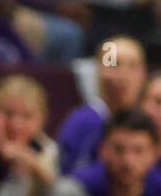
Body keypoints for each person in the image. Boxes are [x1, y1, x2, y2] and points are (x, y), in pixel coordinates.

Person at [45, 110, 161, 196]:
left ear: (154, 153)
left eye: (138, 151)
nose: (128, 161)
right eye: (118, 149)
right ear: (102, 149)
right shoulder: (75, 191)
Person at [56, 36, 148, 173]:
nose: (123, 75)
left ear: (144, 73)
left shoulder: (150, 120)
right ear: (99, 71)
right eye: (114, 65)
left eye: (132, 66)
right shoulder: (83, 122)